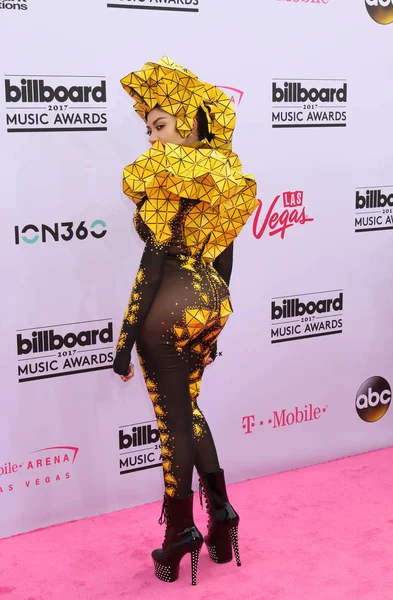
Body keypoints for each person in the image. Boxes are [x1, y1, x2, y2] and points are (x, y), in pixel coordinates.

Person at [113, 56, 258, 586]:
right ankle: (221, 516)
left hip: (166, 310)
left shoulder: (164, 177)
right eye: (149, 129)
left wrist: (124, 341)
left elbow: (152, 264)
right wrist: (214, 318)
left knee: (173, 425)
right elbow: (224, 256)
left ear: (189, 123)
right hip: (209, 305)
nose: (153, 138)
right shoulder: (223, 174)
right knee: (190, 411)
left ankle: (178, 535)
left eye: (160, 126)